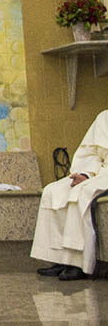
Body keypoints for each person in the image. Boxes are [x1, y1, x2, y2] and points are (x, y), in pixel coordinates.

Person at [31, 110, 108, 281]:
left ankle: (79, 264)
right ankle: (59, 259)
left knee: (81, 194)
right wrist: (86, 174)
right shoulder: (104, 117)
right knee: (53, 191)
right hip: (97, 171)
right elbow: (90, 154)